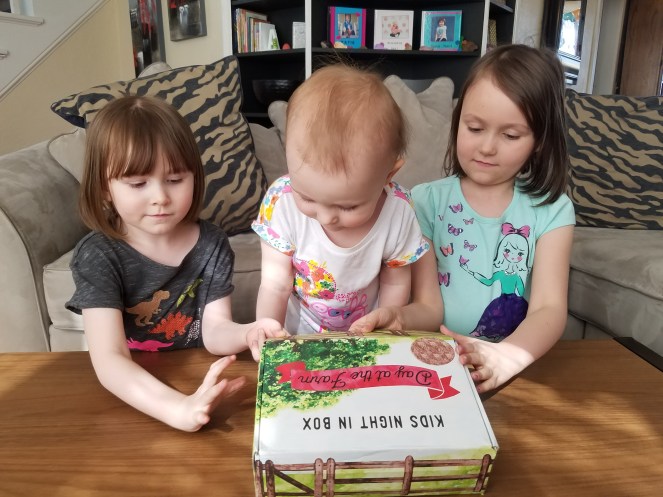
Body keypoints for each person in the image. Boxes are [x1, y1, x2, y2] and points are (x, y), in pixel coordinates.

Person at [351, 44, 575, 394]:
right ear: (458, 123)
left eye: (510, 135)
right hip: (435, 366)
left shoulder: (553, 209)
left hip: (511, 368)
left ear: (539, 141)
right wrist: (399, 317)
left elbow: (549, 308)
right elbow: (427, 306)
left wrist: (506, 357)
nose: (487, 147)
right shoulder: (424, 201)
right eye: (474, 128)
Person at [66, 96, 286, 432]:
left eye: (174, 179)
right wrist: (176, 409)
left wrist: (249, 331)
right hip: (136, 392)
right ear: (104, 188)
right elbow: (110, 359)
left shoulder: (211, 243)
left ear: (194, 176)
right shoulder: (98, 255)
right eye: (137, 183)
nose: (160, 197)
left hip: (196, 375)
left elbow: (214, 331)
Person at [253, 64, 443, 335]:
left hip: (366, 331)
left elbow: (395, 283)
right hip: (298, 332)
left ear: (388, 175)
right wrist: (268, 332)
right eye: (306, 197)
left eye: (347, 206)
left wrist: (382, 333)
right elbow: (275, 284)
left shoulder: (398, 212)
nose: (326, 217)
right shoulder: (281, 203)